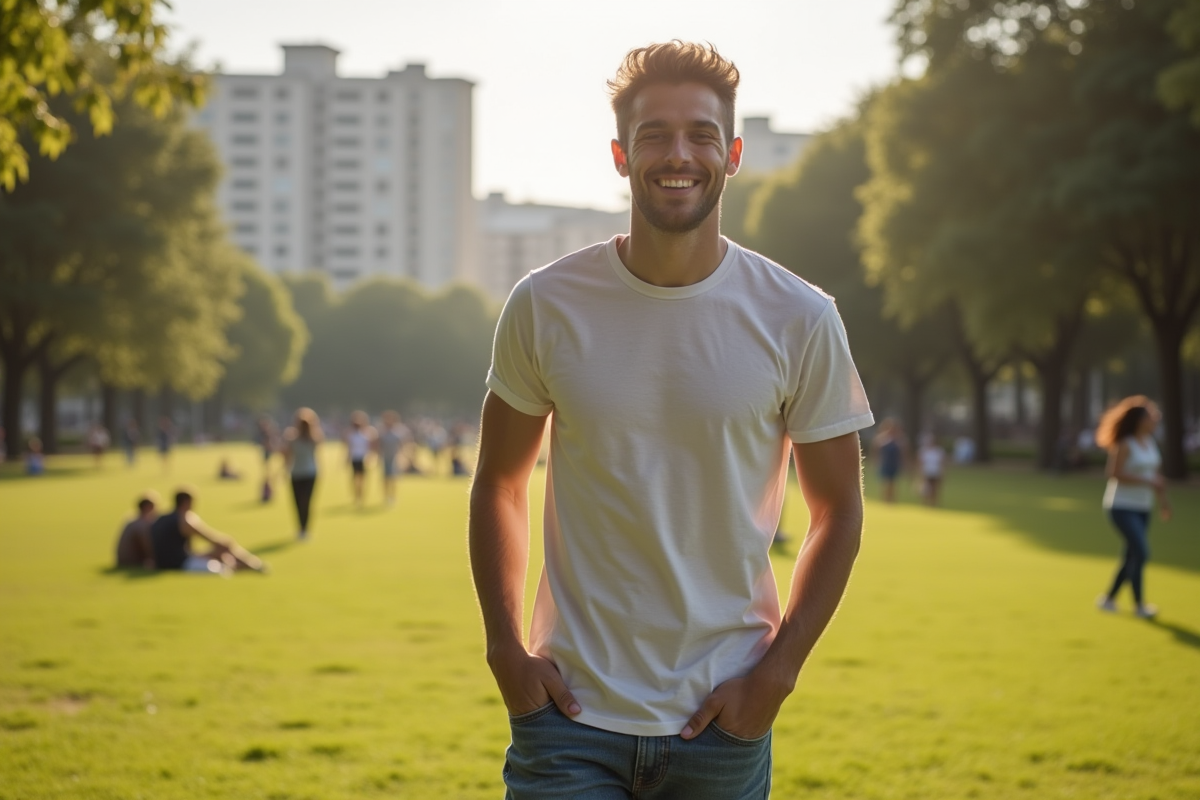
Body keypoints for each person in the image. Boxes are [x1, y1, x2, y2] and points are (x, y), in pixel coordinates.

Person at [469, 42, 873, 799]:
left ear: (734, 153)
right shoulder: (545, 302)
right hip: (567, 717)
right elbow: (499, 482)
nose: (677, 154)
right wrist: (503, 652)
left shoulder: (801, 317)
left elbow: (838, 510)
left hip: (724, 721)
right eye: (653, 134)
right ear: (621, 155)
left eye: (701, 134)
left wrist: (775, 680)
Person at [1095, 396, 1171, 619]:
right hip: (1120, 506)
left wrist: (1164, 502)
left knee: (1131, 555)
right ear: (1139, 420)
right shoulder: (1125, 443)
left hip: (1143, 507)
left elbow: (1157, 477)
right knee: (1141, 553)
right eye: (1151, 416)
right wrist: (1147, 482)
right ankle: (1139, 606)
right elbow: (1114, 473)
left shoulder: (1150, 443)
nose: (1155, 419)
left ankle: (1108, 599)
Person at [149, 488, 266, 573]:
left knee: (218, 553)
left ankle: (250, 565)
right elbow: (213, 539)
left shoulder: (162, 517)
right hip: (179, 563)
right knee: (223, 558)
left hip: (161, 562)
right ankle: (252, 565)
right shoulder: (185, 519)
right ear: (186, 503)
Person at [282, 408, 322, 540]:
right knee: (299, 502)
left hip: (309, 473)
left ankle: (304, 528)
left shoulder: (314, 438)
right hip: (297, 473)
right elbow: (287, 455)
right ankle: (301, 528)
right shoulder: (292, 438)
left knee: (305, 502)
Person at [115, 492, 159, 568]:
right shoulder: (142, 524)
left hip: (122, 560)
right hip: (131, 561)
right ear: (148, 507)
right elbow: (147, 546)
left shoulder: (132, 521)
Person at [377, 410, 408, 506]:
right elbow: (378, 445)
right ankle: (386, 496)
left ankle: (393, 496)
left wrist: (403, 456)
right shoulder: (382, 431)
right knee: (385, 478)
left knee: (393, 478)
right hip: (384, 457)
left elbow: (402, 444)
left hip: (394, 457)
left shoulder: (398, 431)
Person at [345, 411, 375, 508]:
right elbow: (349, 448)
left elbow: (369, 447)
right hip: (355, 458)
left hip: (363, 458)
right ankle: (356, 495)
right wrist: (347, 459)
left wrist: (370, 457)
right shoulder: (351, 435)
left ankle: (361, 496)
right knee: (355, 478)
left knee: (362, 478)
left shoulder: (366, 434)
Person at [872, 418, 905, 503]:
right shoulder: (882, 438)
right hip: (885, 463)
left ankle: (892, 499)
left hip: (894, 463)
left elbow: (903, 451)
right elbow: (876, 449)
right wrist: (876, 461)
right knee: (885, 482)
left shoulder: (898, 439)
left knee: (893, 482)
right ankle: (885, 499)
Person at [917, 433, 945, 507]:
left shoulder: (939, 451)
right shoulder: (923, 451)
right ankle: (925, 505)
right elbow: (920, 463)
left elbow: (941, 463)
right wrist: (920, 473)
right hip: (926, 472)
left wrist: (942, 473)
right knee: (925, 490)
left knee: (935, 490)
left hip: (935, 472)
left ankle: (933, 505)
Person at [256, 416, 277, 502]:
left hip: (268, 454)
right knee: (266, 475)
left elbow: (269, 445)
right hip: (266, 454)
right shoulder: (264, 434)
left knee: (268, 475)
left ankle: (268, 492)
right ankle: (267, 492)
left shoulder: (268, 434)